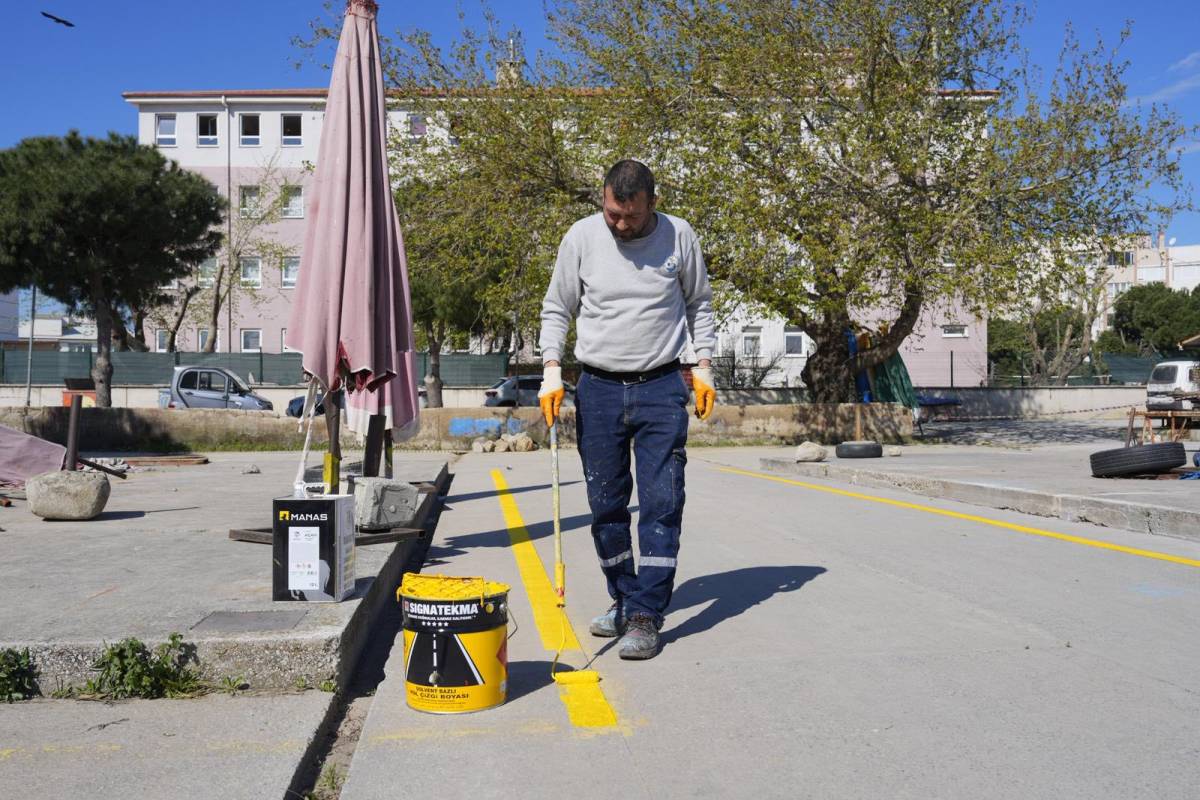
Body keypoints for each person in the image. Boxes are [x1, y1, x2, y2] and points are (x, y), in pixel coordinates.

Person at [537, 159, 717, 660]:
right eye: (613, 213)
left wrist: (703, 366)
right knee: (606, 504)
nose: (620, 224)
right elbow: (558, 306)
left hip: (661, 386)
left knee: (661, 502)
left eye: (631, 216)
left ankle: (646, 614)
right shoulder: (581, 237)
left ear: (652, 204)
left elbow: (699, 302)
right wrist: (552, 368)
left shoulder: (680, 236)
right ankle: (623, 596)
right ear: (603, 198)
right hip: (596, 387)